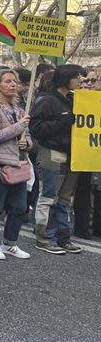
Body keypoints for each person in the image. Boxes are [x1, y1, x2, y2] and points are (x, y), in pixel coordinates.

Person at [29, 64, 84, 254]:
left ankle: (63, 238)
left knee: (65, 200)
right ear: (66, 78)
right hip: (52, 153)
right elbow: (35, 128)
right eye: (77, 77)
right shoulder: (47, 101)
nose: (81, 81)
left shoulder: (74, 99)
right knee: (48, 197)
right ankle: (45, 239)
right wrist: (62, 122)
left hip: (73, 155)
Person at [0, 69, 32, 260]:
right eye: (8, 81)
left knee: (19, 207)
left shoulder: (20, 110)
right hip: (0, 163)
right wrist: (19, 127)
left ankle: (10, 242)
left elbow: (28, 137)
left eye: (15, 82)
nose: (13, 85)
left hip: (19, 163)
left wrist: (26, 142)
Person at [74, 71, 101, 239]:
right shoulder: (80, 99)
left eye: (94, 80)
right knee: (82, 191)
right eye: (87, 80)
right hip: (84, 151)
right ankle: (82, 228)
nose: (89, 83)